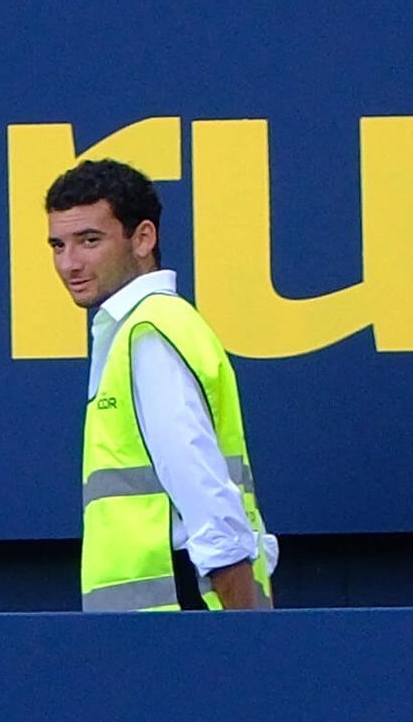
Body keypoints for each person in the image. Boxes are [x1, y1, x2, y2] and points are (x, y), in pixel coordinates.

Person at [45, 159, 276, 611]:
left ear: (143, 238)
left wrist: (249, 638)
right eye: (57, 245)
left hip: (184, 624)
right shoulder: (143, 328)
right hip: (158, 632)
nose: (69, 263)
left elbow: (205, 495)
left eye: (89, 241)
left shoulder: (150, 333)